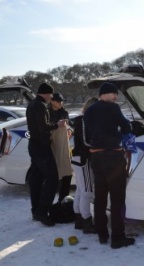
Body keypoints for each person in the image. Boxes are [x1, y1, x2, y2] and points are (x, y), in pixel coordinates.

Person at [84, 82, 135, 249]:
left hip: (96, 157)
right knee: (117, 199)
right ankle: (118, 238)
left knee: (99, 198)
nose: (116, 98)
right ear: (107, 93)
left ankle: (102, 234)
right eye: (115, 94)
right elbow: (127, 126)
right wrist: (119, 134)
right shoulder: (112, 108)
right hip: (113, 157)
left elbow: (89, 135)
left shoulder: (90, 110)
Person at [26, 83, 67, 226]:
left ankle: (36, 210)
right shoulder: (40, 106)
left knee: (36, 179)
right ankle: (42, 212)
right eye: (51, 94)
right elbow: (43, 126)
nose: (51, 97)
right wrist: (58, 125)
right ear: (45, 93)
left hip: (35, 146)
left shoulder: (32, 104)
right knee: (53, 178)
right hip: (41, 147)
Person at [71, 96, 98, 234]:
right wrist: (98, 145)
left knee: (80, 190)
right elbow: (86, 142)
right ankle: (87, 221)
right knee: (87, 191)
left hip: (78, 158)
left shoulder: (82, 119)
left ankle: (79, 220)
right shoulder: (83, 120)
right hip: (83, 159)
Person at [48, 92, 73, 203]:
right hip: (51, 147)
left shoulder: (64, 112)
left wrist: (70, 129)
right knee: (54, 176)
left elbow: (71, 125)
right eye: (58, 101)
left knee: (67, 174)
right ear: (52, 101)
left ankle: (63, 200)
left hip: (64, 146)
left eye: (61, 101)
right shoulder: (47, 112)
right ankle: (48, 203)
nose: (60, 103)